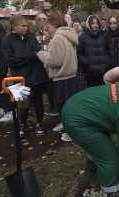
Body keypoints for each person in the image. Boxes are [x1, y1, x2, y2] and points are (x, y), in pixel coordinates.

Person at [1, 15, 49, 136]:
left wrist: (19, 54)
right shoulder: (7, 41)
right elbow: (10, 60)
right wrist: (29, 57)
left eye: (27, 25)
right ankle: (22, 124)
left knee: (38, 101)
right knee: (26, 104)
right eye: (23, 26)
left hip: (37, 75)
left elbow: (37, 53)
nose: (26, 28)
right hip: (21, 77)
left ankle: (39, 123)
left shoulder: (31, 38)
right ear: (14, 26)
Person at [37, 10, 80, 142]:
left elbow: (55, 61)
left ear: (54, 24)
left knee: (64, 107)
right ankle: (70, 128)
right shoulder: (68, 35)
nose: (47, 29)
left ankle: (70, 132)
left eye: (48, 26)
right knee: (70, 106)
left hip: (62, 78)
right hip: (71, 76)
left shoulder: (57, 38)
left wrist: (41, 54)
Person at [77, 15, 109, 87]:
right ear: (89, 24)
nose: (95, 25)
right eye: (93, 23)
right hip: (89, 73)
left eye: (97, 23)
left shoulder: (102, 37)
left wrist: (106, 62)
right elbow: (79, 53)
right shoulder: (83, 37)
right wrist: (87, 63)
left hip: (102, 71)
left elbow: (106, 52)